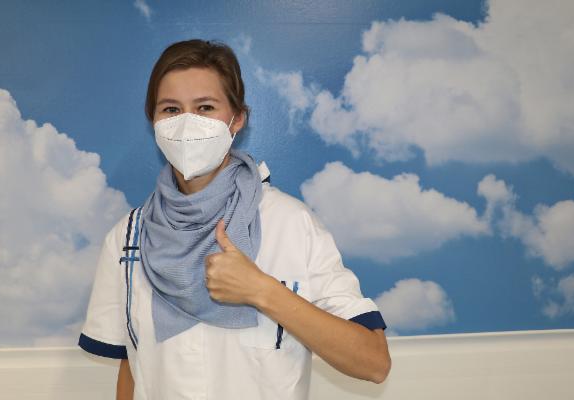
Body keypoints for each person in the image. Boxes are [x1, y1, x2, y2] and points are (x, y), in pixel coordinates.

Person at [78, 39, 391, 400]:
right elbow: (133, 367)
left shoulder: (291, 224)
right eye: (171, 109)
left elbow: (373, 363)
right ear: (154, 120)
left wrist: (262, 290)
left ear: (237, 119)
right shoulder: (129, 237)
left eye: (205, 107)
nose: (187, 123)